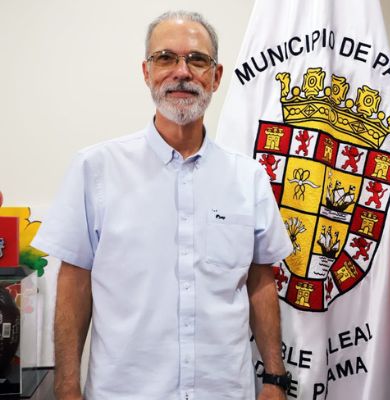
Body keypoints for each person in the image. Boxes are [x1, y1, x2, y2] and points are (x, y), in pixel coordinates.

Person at [32, 11, 293, 400]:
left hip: (224, 390)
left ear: (216, 76)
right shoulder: (95, 169)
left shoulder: (249, 178)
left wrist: (274, 378)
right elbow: (74, 283)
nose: (182, 72)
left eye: (197, 60)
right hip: (124, 391)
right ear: (146, 71)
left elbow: (260, 282)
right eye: (166, 58)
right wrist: (67, 386)